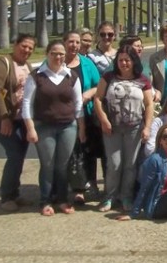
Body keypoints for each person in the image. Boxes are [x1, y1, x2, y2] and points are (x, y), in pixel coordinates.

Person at [22, 40, 84, 216]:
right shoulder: (36, 76)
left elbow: (78, 103)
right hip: (44, 127)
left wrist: (81, 127)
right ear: (47, 54)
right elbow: (27, 103)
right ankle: (45, 200)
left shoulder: (71, 76)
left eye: (61, 54)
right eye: (54, 53)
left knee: (62, 165)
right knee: (47, 165)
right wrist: (30, 128)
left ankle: (63, 200)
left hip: (68, 127)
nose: (58, 57)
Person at [93, 45, 154, 213]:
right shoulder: (108, 77)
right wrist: (103, 119)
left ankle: (126, 196)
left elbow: (149, 104)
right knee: (114, 164)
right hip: (112, 128)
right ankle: (110, 196)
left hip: (134, 128)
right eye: (120, 60)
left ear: (134, 61)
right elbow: (97, 98)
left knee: (130, 165)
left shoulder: (143, 80)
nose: (124, 63)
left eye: (127, 60)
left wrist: (147, 127)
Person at [0, 33, 36, 212]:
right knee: (14, 154)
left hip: (22, 120)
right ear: (15, 44)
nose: (27, 50)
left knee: (19, 156)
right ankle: (6, 196)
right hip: (6, 120)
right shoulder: (4, 63)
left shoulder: (27, 65)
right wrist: (4, 118)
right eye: (24, 46)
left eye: (30, 48)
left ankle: (15, 193)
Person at [63, 31, 103, 204]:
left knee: (87, 151)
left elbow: (99, 85)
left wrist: (88, 94)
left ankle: (89, 184)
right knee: (67, 152)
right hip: (62, 116)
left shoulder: (86, 63)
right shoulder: (55, 61)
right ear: (64, 43)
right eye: (71, 42)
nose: (74, 45)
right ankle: (69, 186)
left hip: (86, 113)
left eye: (77, 42)